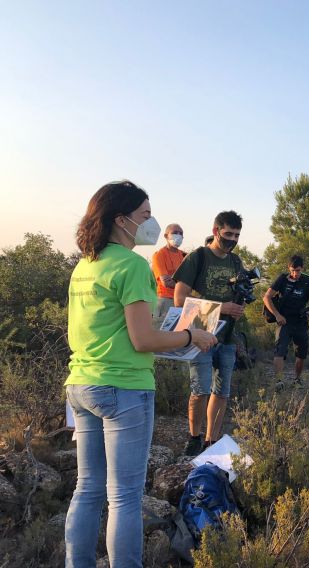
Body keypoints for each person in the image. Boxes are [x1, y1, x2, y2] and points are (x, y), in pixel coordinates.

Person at [65, 181, 216, 568]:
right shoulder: (132, 265)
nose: (151, 223)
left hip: (81, 384)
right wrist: (189, 335)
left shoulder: (85, 264)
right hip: (123, 388)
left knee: (86, 489)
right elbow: (143, 338)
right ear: (122, 220)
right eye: (146, 215)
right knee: (125, 496)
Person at [173, 211, 246, 456]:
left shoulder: (236, 262)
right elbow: (179, 298)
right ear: (216, 231)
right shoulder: (198, 257)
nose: (232, 239)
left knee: (222, 391)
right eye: (228, 234)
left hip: (227, 336)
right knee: (200, 389)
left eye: (236, 235)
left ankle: (210, 440)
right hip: (200, 333)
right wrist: (221, 307)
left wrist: (238, 309)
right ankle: (194, 436)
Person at [263, 255, 309, 386]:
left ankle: (297, 379)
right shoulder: (282, 279)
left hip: (300, 322)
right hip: (284, 321)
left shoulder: (307, 281)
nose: (295, 273)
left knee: (301, 353)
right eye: (293, 270)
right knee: (279, 350)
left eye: (298, 270)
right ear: (289, 268)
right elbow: (266, 297)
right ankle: (278, 381)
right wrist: (277, 315)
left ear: (302, 268)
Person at [150, 223, 186, 318]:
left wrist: (175, 280)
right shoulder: (159, 255)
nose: (178, 235)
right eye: (175, 232)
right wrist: (185, 285)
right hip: (166, 300)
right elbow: (166, 282)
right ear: (166, 236)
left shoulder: (184, 256)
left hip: (182, 300)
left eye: (180, 233)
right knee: (164, 330)